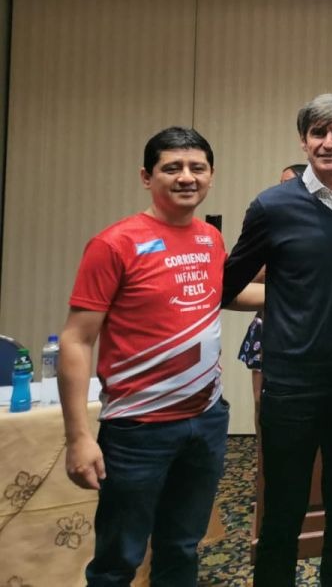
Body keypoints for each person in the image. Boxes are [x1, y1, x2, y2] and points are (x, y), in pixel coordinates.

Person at [58, 127, 261, 586]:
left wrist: (300, 295)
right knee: (118, 559)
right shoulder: (114, 244)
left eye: (197, 168)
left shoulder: (210, 239)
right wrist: (78, 437)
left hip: (206, 422)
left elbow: (222, 295)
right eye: (172, 168)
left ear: (211, 176)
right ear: (147, 177)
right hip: (137, 430)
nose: (186, 177)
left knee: (182, 547)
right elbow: (76, 339)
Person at [222, 94, 332, 587]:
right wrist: (280, 299)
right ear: (303, 141)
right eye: (318, 133)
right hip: (291, 387)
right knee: (283, 511)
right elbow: (225, 286)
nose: (329, 143)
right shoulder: (271, 206)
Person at [237, 162, 307, 425]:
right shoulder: (268, 220)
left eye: (288, 183)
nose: (281, 189)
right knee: (261, 401)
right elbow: (244, 273)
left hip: (308, 326)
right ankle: (262, 463)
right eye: (280, 183)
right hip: (266, 322)